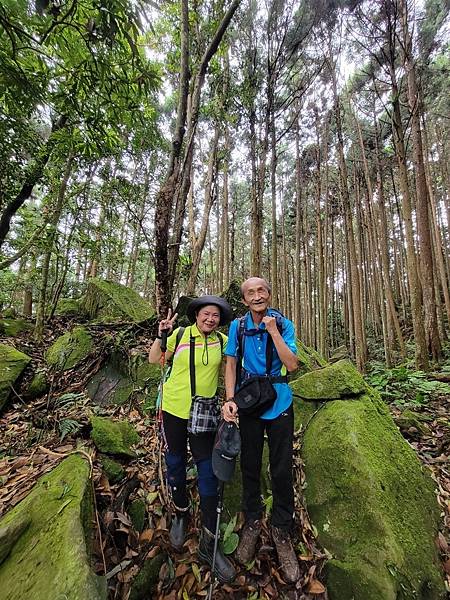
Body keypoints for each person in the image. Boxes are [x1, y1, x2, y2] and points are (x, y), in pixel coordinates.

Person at [148, 295, 236, 583]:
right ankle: (181, 513)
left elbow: (232, 368)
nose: (210, 319)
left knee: (207, 471)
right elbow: (155, 360)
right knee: (174, 461)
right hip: (174, 408)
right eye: (206, 314)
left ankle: (209, 541)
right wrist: (162, 336)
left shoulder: (222, 341)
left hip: (204, 412)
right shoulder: (181, 334)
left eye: (215, 316)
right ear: (197, 315)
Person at [222, 277, 300, 584]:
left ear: (269, 293)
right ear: (244, 299)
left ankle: (282, 529)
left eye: (262, 291)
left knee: (281, 468)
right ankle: (252, 521)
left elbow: (292, 365)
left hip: (279, 402)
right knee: (250, 464)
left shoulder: (283, 324)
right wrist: (230, 400)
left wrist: (272, 330)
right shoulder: (237, 327)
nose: (257, 296)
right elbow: (230, 363)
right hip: (250, 403)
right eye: (251, 292)